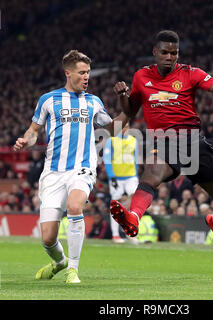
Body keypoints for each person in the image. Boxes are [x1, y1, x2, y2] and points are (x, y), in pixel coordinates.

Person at [109, 30, 213, 250]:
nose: (169, 57)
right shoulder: (141, 77)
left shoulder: (191, 73)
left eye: (174, 53)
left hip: (194, 143)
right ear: (155, 52)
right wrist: (123, 96)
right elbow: (130, 110)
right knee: (151, 175)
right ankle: (133, 218)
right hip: (164, 141)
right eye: (165, 52)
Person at [13, 50, 129, 284]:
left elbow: (117, 130)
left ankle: (73, 270)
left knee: (75, 207)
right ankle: (60, 262)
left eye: (88, 72)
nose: (87, 77)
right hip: (53, 172)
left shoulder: (93, 102)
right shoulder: (49, 99)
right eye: (82, 72)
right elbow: (34, 131)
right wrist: (26, 141)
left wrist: (126, 108)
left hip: (82, 168)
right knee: (47, 238)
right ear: (68, 73)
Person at [103, 123, 139, 243]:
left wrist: (136, 174)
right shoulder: (111, 141)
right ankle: (115, 234)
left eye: (127, 126)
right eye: (123, 127)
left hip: (131, 176)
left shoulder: (133, 140)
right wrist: (111, 177)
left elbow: (135, 160)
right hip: (117, 177)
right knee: (115, 204)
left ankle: (131, 232)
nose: (125, 129)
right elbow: (107, 159)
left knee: (135, 200)